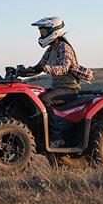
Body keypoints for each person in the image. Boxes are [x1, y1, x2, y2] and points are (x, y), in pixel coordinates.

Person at [30, 16, 93, 147]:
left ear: (54, 31)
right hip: (58, 88)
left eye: (44, 31)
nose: (42, 34)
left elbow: (64, 68)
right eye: (41, 31)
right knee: (36, 96)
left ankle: (56, 137)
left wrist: (45, 68)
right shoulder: (50, 49)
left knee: (46, 99)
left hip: (69, 89)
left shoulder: (64, 47)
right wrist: (21, 71)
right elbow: (39, 67)